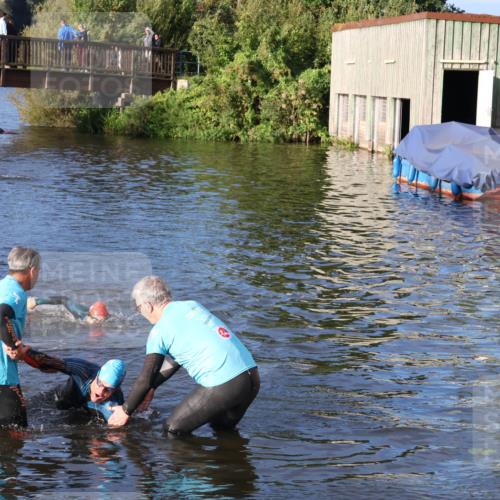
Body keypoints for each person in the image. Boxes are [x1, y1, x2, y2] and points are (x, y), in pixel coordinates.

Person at [108, 276, 260, 435]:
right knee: (221, 429)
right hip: (251, 377)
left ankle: (191, 460)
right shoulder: (192, 305)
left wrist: (125, 410)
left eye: (139, 308)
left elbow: (144, 379)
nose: (141, 313)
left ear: (148, 305)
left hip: (225, 384)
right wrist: (153, 386)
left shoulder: (159, 331)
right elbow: (177, 359)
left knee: (172, 430)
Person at [4, 343, 126, 423]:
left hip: (83, 414)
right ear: (97, 375)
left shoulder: (116, 402)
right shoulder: (83, 371)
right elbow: (49, 362)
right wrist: (23, 352)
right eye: (100, 384)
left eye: (108, 390)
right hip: (56, 401)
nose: (100, 392)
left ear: (115, 390)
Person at [0, 246, 41, 427]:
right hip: (4, 377)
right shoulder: (15, 293)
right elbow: (1, 315)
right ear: (32, 270)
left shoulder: (2, 285)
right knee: (16, 435)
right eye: (39, 270)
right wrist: (15, 348)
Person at [27, 296, 110, 324]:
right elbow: (64, 300)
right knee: (64, 300)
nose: (98, 323)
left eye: (103, 320)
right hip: (70, 303)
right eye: (97, 320)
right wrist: (36, 302)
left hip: (90, 310)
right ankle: (35, 301)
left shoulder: (101, 317)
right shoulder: (80, 314)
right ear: (90, 317)